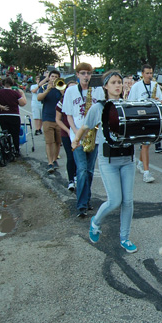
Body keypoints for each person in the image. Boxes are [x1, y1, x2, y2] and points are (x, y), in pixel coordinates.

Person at [72, 70, 138, 253]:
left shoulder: (129, 105)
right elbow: (85, 126)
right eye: (114, 82)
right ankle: (96, 222)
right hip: (108, 159)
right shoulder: (99, 108)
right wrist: (76, 140)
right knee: (115, 200)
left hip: (128, 158)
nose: (118, 85)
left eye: (120, 82)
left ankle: (125, 238)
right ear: (106, 86)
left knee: (128, 201)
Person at [62, 62, 105, 217]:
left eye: (89, 73)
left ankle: (86, 201)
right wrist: (76, 133)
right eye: (83, 73)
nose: (86, 76)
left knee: (89, 171)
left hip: (94, 136)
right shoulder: (71, 91)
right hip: (77, 137)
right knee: (81, 170)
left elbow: (102, 112)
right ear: (78, 75)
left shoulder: (98, 90)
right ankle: (81, 206)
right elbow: (68, 114)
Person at [127, 64, 162, 183]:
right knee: (146, 144)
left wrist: (159, 101)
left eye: (151, 73)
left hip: (152, 116)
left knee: (147, 144)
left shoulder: (155, 85)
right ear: (142, 74)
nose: (149, 75)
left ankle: (141, 163)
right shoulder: (136, 86)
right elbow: (130, 103)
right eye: (147, 73)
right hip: (141, 117)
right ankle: (146, 173)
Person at [0, 77, 27, 155]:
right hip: (14, 115)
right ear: (12, 84)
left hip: (3, 115)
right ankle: (16, 150)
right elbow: (23, 103)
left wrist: (0, 106)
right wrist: (22, 94)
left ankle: (6, 148)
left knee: (5, 133)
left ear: (2, 84)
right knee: (15, 134)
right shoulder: (15, 93)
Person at [37, 70, 63, 174]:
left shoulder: (61, 87)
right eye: (52, 76)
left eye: (56, 77)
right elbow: (39, 98)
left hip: (59, 119)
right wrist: (47, 90)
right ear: (49, 77)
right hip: (47, 118)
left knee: (58, 141)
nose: (54, 78)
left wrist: (61, 90)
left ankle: (55, 159)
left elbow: (66, 99)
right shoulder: (43, 87)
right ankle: (50, 162)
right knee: (49, 142)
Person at [56, 80, 79, 192]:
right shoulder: (62, 101)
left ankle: (78, 177)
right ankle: (71, 180)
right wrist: (68, 131)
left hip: (80, 133)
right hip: (67, 133)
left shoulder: (81, 100)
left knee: (79, 158)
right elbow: (57, 119)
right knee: (70, 157)